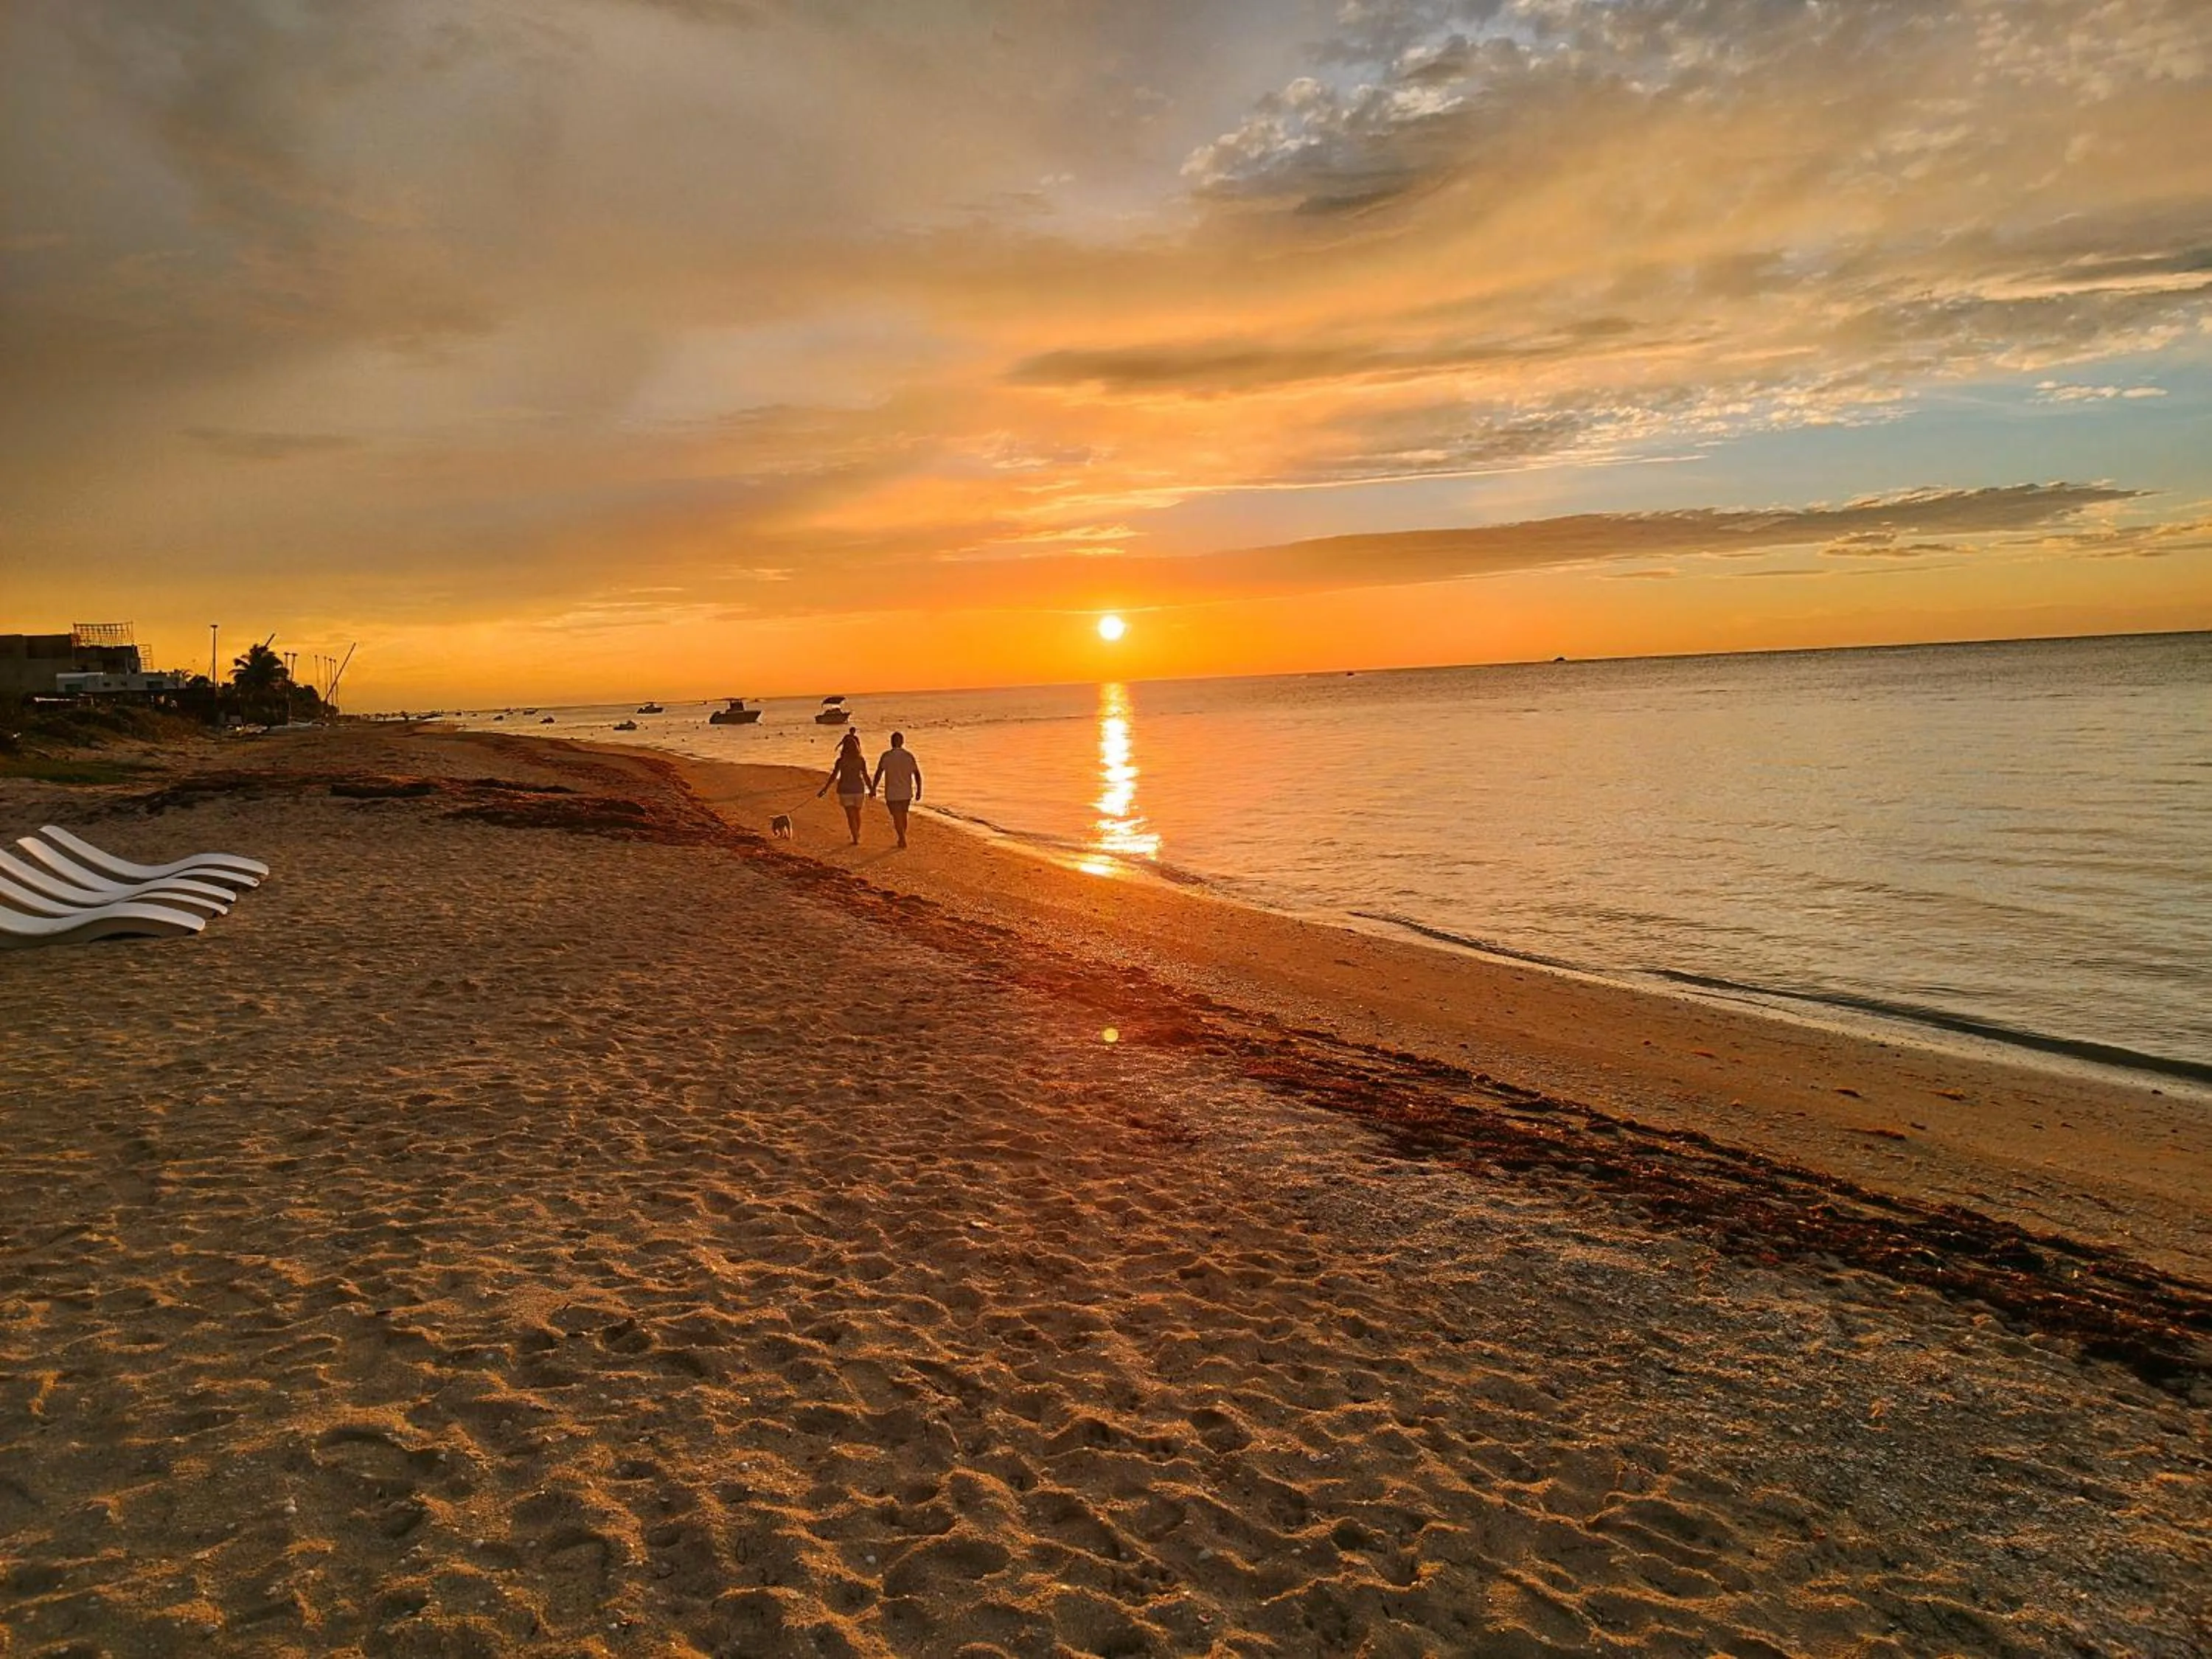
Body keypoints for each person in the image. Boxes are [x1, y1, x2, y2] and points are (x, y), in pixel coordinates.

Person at [817, 728, 872, 844]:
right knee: (857, 813)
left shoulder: (841, 761)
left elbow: (834, 776)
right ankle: (857, 833)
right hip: (858, 789)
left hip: (845, 790)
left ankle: (855, 835)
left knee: (850, 815)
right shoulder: (860, 760)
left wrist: (825, 789)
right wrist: (871, 789)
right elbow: (866, 775)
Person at [871, 731, 923, 848]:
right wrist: (919, 790)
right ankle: (902, 837)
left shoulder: (886, 756)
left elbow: (879, 773)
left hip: (892, 793)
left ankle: (902, 837)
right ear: (902, 742)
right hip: (906, 792)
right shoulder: (908, 756)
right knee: (903, 815)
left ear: (891, 742)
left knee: (896, 816)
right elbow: (917, 774)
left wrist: (873, 788)